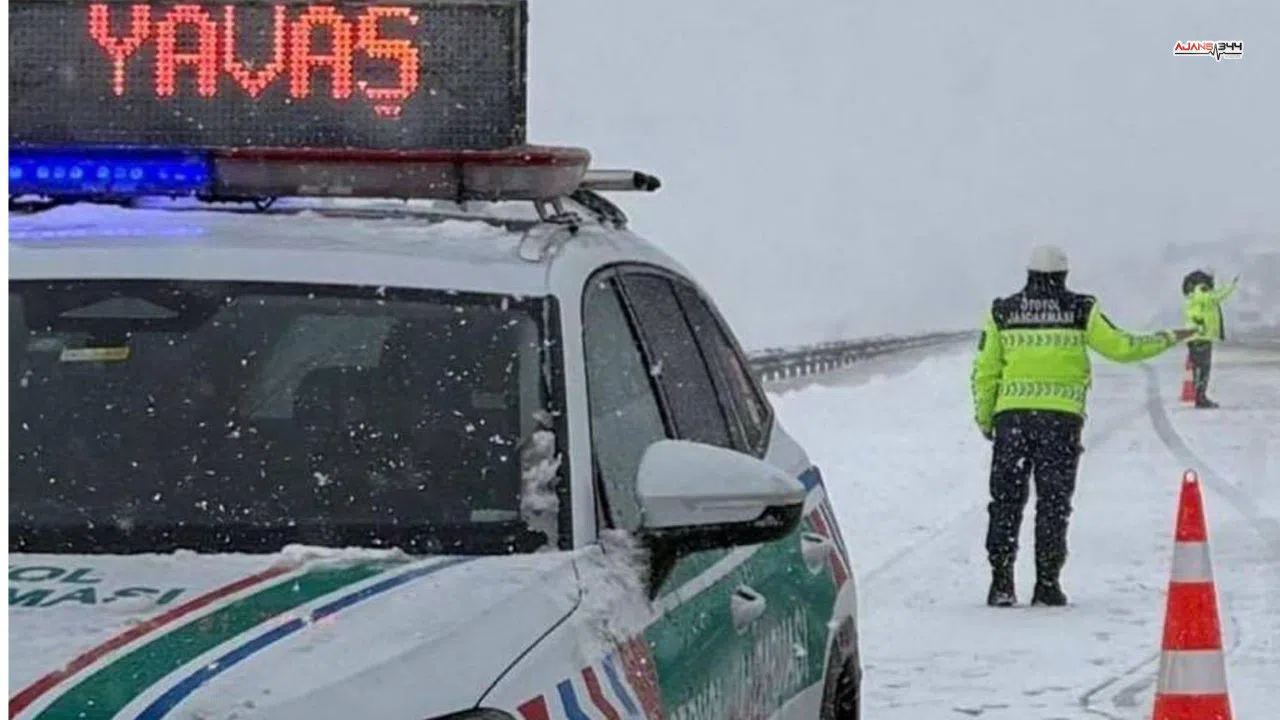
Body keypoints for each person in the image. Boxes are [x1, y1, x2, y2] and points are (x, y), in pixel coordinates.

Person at [971, 245, 1196, 607]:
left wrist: (985, 417)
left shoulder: (1003, 311)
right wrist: (1169, 337)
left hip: (1012, 419)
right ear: (1063, 276)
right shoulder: (1080, 309)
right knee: (1054, 503)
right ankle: (1047, 583)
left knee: (1005, 501)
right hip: (1060, 421)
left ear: (1028, 275)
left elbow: (985, 371)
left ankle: (1000, 581)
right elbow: (1122, 347)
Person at [1182, 269, 1240, 409]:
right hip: (1201, 337)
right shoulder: (1201, 292)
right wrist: (1232, 286)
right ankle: (1200, 398)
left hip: (1196, 337)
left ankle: (1199, 396)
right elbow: (1216, 297)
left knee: (1198, 368)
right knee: (1203, 369)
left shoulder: (1193, 295)